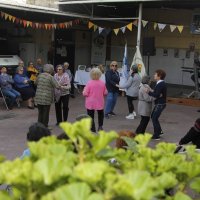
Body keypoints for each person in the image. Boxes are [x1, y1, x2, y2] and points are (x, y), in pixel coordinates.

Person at [83, 68, 108, 132]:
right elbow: (105, 93)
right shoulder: (102, 83)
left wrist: (83, 91)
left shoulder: (89, 83)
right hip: (99, 102)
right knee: (100, 114)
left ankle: (92, 128)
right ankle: (100, 126)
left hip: (90, 102)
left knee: (90, 115)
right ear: (99, 75)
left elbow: (85, 94)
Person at [145, 69, 167, 140]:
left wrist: (148, 92)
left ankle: (156, 135)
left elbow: (157, 95)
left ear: (159, 76)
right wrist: (155, 93)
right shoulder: (160, 83)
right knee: (153, 117)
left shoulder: (160, 84)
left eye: (155, 74)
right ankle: (159, 131)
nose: (154, 75)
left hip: (160, 104)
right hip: (160, 103)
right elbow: (158, 93)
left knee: (154, 118)